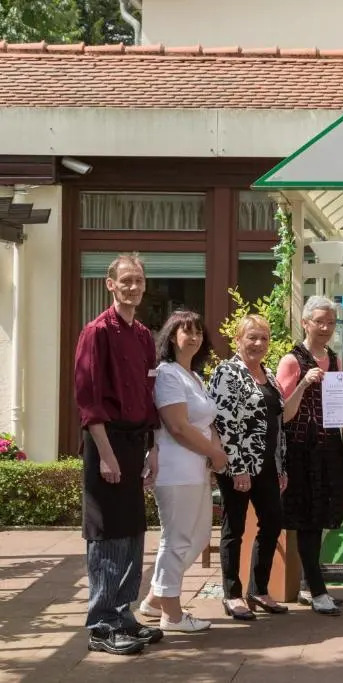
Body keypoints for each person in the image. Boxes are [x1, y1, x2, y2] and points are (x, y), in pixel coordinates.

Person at [74, 253, 163, 655]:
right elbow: (89, 400)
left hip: (134, 442)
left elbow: (148, 394)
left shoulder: (143, 335)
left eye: (138, 280)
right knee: (107, 533)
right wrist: (107, 456)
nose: (133, 287)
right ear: (110, 284)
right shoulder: (95, 332)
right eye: (125, 280)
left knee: (132, 532)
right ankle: (101, 624)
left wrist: (152, 449)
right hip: (105, 442)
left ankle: (123, 613)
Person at [138, 310, 228, 632]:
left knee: (199, 536)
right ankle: (172, 615)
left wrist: (213, 453)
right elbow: (177, 426)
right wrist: (215, 453)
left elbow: (206, 421)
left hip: (196, 470)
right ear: (172, 336)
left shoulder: (194, 377)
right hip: (176, 470)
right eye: (187, 331)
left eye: (199, 332)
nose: (194, 337)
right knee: (176, 540)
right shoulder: (167, 374)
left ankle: (155, 599)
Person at [208, 314, 300, 620]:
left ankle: (258, 589)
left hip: (268, 465)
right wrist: (237, 468)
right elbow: (223, 423)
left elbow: (277, 423)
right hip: (238, 466)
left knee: (272, 523)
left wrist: (281, 466)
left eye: (264, 338)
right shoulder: (227, 372)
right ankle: (232, 594)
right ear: (238, 339)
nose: (258, 343)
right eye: (252, 337)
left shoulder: (269, 374)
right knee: (234, 528)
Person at [276, 296, 343, 616]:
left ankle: (308, 586)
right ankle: (318, 591)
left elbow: (336, 408)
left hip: (328, 449)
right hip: (301, 451)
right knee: (308, 522)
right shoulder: (292, 361)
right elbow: (283, 414)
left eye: (330, 322)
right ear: (305, 323)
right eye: (319, 321)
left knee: (321, 518)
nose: (325, 328)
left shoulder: (334, 359)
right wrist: (303, 383)